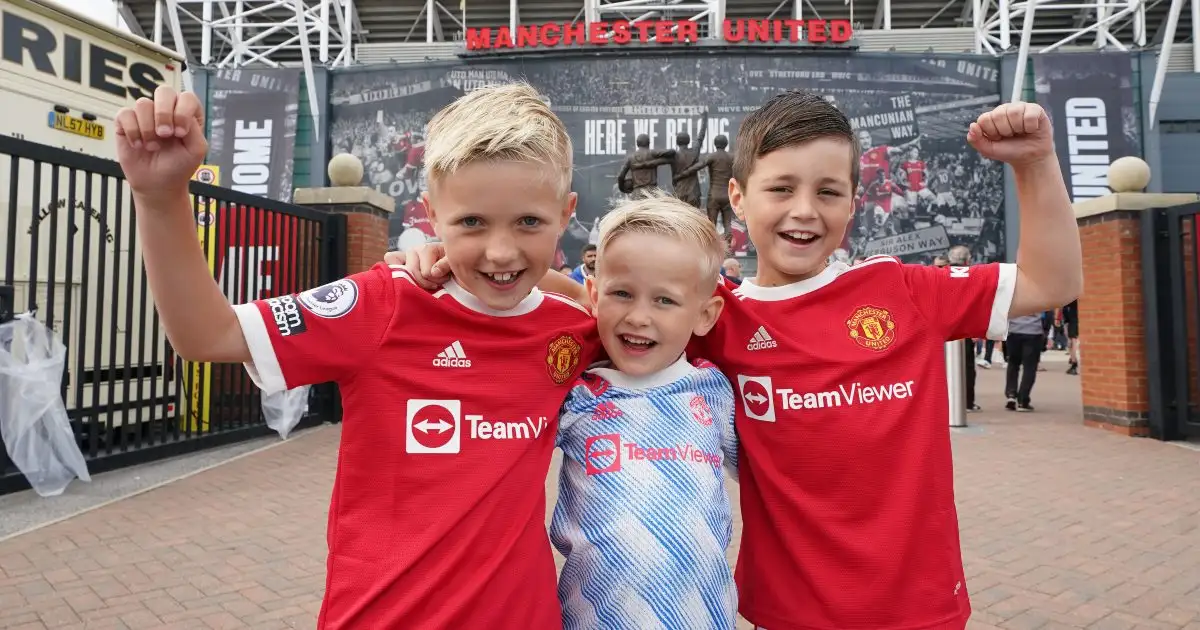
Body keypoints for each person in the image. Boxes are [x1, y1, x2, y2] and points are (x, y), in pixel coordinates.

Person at [388, 93, 1082, 630]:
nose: (803, 210)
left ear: (854, 201)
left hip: (917, 606)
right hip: (784, 609)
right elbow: (589, 300)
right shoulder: (710, 316)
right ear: (740, 198)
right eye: (780, 189)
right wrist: (445, 258)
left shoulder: (900, 292)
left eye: (828, 191)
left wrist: (1034, 163)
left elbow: (1052, 285)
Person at [116, 82, 601, 629]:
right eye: (471, 223)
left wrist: (572, 291)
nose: (501, 251)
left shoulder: (575, 330)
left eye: (528, 222)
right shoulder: (385, 303)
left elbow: (655, 317)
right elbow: (207, 336)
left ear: (566, 213)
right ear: (431, 213)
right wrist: (159, 198)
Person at [552, 194, 739, 629]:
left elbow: (769, 474)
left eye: (664, 301)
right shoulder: (576, 396)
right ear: (595, 295)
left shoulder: (714, 392)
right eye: (622, 293)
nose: (638, 316)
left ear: (705, 314)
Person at [947, 245, 982, 412]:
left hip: (944, 330)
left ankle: (947, 401)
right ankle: (967, 401)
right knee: (967, 367)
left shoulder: (940, 275)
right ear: (967, 260)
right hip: (964, 329)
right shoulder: (971, 277)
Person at [1005, 313, 1045, 411]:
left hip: (1013, 329)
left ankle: (1011, 394)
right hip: (1033, 330)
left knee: (1013, 363)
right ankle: (1023, 400)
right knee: (1030, 367)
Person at [1063, 298, 1079, 374]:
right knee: (1072, 341)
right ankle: (1073, 361)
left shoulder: (1071, 297)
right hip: (1074, 319)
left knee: (1072, 341)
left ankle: (1074, 363)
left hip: (1073, 320)